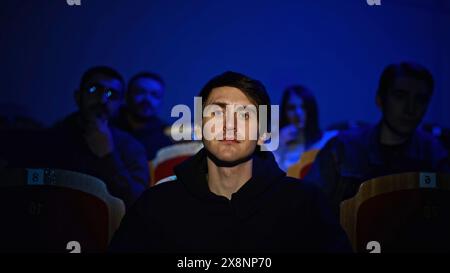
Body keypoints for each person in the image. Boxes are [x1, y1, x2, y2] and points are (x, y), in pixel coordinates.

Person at [109, 71, 351, 253]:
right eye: (216, 113)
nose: (229, 124)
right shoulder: (157, 204)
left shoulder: (305, 204)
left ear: (264, 133)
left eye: (245, 115)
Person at [304, 62, 450, 214]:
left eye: (420, 99)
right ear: (380, 99)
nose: (410, 108)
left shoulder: (435, 152)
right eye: (400, 96)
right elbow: (308, 204)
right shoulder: (344, 147)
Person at [53, 66, 149, 207]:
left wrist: (108, 157)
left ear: (120, 103)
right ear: (78, 96)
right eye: (94, 90)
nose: (103, 100)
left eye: (112, 94)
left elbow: (136, 202)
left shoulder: (131, 147)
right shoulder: (53, 138)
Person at [274, 85, 337, 171]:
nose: (298, 113)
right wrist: (279, 146)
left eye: (303, 107)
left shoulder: (327, 140)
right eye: (292, 108)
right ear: (285, 111)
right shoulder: (278, 144)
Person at [113, 72, 172, 160]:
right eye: (140, 92)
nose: (147, 99)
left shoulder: (164, 135)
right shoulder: (108, 124)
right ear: (127, 95)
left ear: (160, 100)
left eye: (154, 95)